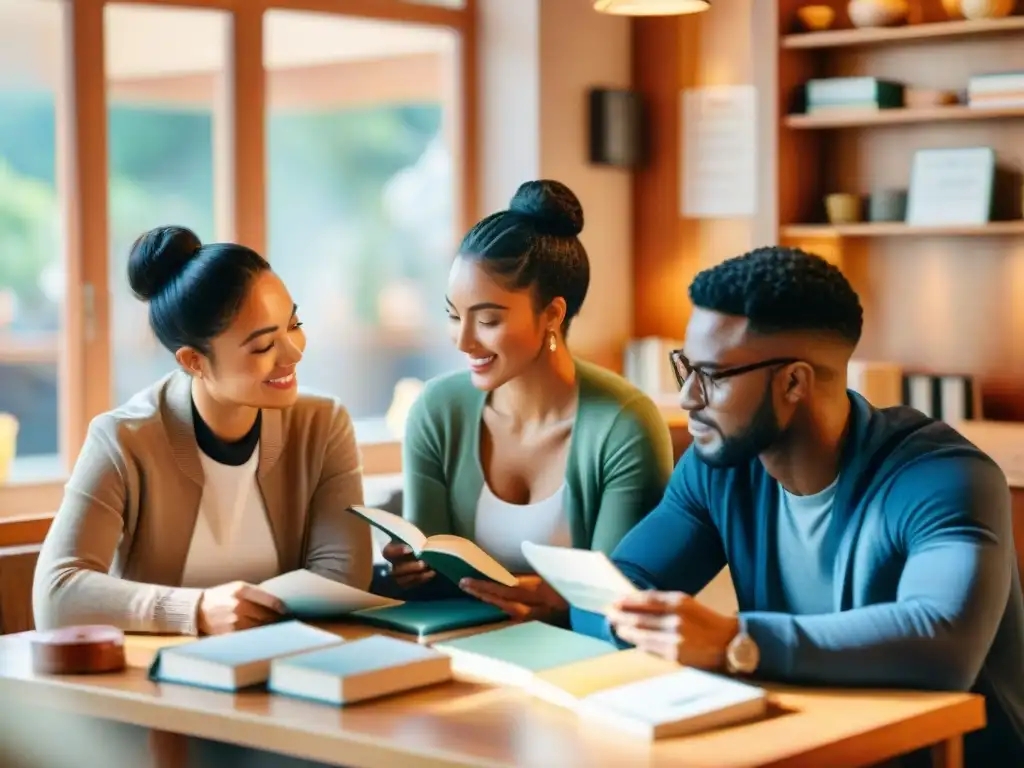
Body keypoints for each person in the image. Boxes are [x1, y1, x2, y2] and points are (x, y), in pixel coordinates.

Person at [573, 245, 1024, 765]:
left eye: (713, 376)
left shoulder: (943, 478)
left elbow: (941, 643)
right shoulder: (716, 468)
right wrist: (595, 605)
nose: (690, 397)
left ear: (794, 382)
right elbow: (624, 584)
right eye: (686, 368)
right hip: (804, 747)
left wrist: (734, 642)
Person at [33, 226, 373, 636]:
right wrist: (194, 610)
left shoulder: (323, 424)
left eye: (294, 324)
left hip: (292, 664)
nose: (294, 353)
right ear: (194, 361)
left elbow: (345, 574)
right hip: (156, 680)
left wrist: (246, 613)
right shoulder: (123, 439)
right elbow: (56, 595)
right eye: (264, 346)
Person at [377, 179, 674, 622]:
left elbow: (619, 597)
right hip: (461, 645)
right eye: (454, 316)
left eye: (489, 320)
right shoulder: (438, 410)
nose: (464, 341)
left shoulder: (625, 424)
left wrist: (555, 600)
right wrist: (409, 569)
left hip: (586, 661)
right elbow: (430, 582)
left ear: (552, 314)